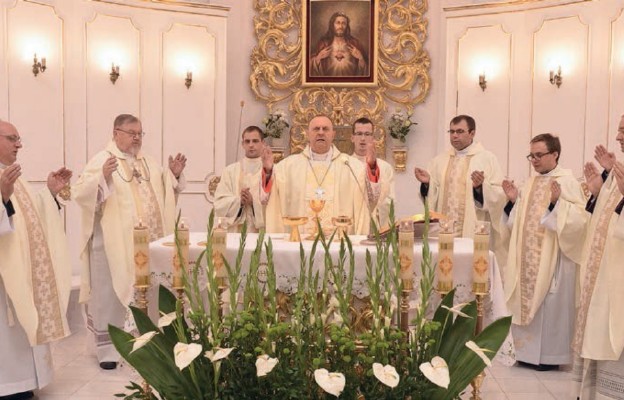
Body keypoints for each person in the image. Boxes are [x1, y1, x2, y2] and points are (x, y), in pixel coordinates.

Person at [73, 114, 187, 370]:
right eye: (132, 133)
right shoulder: (103, 160)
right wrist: (101, 177)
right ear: (116, 132)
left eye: (140, 133)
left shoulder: (147, 162)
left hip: (148, 246)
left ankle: (149, 341)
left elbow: (164, 189)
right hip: (113, 245)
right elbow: (81, 193)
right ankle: (111, 351)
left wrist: (173, 176)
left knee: (149, 292)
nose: (137, 138)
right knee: (111, 295)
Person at [501, 134, 587, 371]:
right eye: (531, 155)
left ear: (555, 154)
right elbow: (516, 223)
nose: (534, 160)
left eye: (539, 155)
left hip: (554, 260)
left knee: (550, 304)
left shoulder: (567, 182)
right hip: (526, 258)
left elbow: (580, 221)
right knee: (524, 298)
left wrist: (557, 204)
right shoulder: (529, 183)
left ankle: (548, 358)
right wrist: (511, 203)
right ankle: (524, 353)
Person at [0, 120, 73, 399]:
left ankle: (25, 380)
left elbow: (33, 216)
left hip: (25, 271)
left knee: (24, 322)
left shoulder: (12, 175)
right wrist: (2, 197)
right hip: (4, 278)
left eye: (19, 138)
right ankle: (8, 386)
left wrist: (50, 193)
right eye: (12, 138)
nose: (19, 144)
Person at [261, 115, 381, 236]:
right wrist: (267, 171)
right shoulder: (288, 166)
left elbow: (372, 198)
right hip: (300, 241)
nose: (321, 132)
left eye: (325, 129)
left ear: (333, 134)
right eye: (316, 129)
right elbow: (265, 198)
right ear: (308, 134)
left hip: (339, 242)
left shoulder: (351, 166)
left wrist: (371, 167)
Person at [573, 115, 624, 399]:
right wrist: (598, 190)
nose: (618, 137)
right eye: (618, 130)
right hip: (602, 271)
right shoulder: (618, 170)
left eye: (623, 131)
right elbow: (603, 220)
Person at [414, 115, 507, 262]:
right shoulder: (439, 160)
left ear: (472, 133)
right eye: (451, 132)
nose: (454, 136)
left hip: (472, 231)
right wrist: (428, 184)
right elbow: (432, 199)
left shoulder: (487, 159)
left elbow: (499, 195)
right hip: (443, 231)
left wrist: (480, 189)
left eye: (459, 131)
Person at [214, 126, 266, 232]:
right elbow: (219, 204)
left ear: (263, 143)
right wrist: (239, 201)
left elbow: (275, 207)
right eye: (247, 141)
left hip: (260, 233)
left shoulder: (269, 172)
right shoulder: (230, 171)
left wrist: (253, 202)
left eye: (255, 141)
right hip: (234, 232)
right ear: (243, 144)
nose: (251, 145)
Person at [350, 117, 395, 231]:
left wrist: (373, 209)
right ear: (352, 138)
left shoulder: (385, 167)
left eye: (367, 134)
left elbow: (390, 200)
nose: (363, 138)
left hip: (376, 225)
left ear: (373, 138)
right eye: (359, 133)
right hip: (352, 224)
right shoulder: (345, 164)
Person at [310, 12, 368, 77]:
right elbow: (308, 69)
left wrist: (361, 58)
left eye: (344, 23)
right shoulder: (323, 44)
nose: (340, 26)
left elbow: (368, 71)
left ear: (347, 26)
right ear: (332, 25)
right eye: (338, 23)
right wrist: (318, 57)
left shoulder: (355, 43)